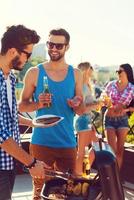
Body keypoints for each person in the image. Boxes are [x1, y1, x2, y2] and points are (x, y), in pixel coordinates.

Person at [19, 28, 83, 200]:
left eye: (59, 45)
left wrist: (77, 104)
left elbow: (81, 109)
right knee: (39, 193)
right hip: (41, 142)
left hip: (67, 142)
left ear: (67, 47)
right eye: (50, 44)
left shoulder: (76, 74)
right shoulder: (34, 73)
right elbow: (21, 105)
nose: (53, 48)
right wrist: (37, 103)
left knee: (66, 193)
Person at [0, 25, 50, 200]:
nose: (28, 59)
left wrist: (32, 122)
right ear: (13, 51)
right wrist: (31, 162)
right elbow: (0, 133)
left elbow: (9, 117)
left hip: (8, 163)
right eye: (27, 54)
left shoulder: (10, 78)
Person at [103, 63, 134, 169]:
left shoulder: (132, 88)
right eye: (117, 71)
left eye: (120, 71)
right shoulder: (111, 85)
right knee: (111, 151)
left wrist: (126, 109)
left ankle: (116, 179)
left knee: (120, 151)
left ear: (127, 73)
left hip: (123, 120)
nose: (118, 73)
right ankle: (108, 177)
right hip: (109, 119)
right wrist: (106, 103)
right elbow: (103, 99)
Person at [75, 62, 98, 175]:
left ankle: (84, 173)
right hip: (84, 119)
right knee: (82, 152)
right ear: (85, 70)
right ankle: (79, 176)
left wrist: (97, 103)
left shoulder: (86, 86)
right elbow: (81, 109)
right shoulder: (82, 87)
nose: (92, 70)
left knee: (97, 146)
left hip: (88, 120)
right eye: (90, 68)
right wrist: (95, 105)